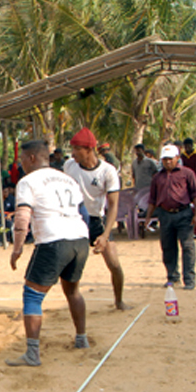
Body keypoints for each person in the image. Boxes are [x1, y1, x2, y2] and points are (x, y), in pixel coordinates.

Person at [7, 140, 90, 367]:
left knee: (32, 294)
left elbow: (23, 216)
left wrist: (17, 248)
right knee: (73, 290)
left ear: (32, 158)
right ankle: (81, 339)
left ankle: (32, 353)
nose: (21, 163)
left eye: (22, 159)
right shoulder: (68, 178)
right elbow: (85, 213)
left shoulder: (27, 181)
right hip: (79, 238)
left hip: (54, 239)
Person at [64, 128, 129, 310]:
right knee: (66, 264)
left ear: (89, 149)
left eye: (77, 148)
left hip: (96, 221)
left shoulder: (108, 171)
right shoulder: (69, 166)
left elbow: (113, 205)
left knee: (114, 264)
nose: (73, 153)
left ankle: (119, 301)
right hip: (75, 220)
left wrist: (105, 235)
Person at [145, 145, 196, 290]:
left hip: (184, 214)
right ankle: (172, 277)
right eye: (165, 159)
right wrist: (148, 217)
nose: (168, 162)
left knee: (187, 247)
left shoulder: (187, 174)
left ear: (177, 158)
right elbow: (152, 199)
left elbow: (195, 194)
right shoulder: (157, 178)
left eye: (170, 159)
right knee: (168, 247)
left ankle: (189, 279)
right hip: (165, 215)